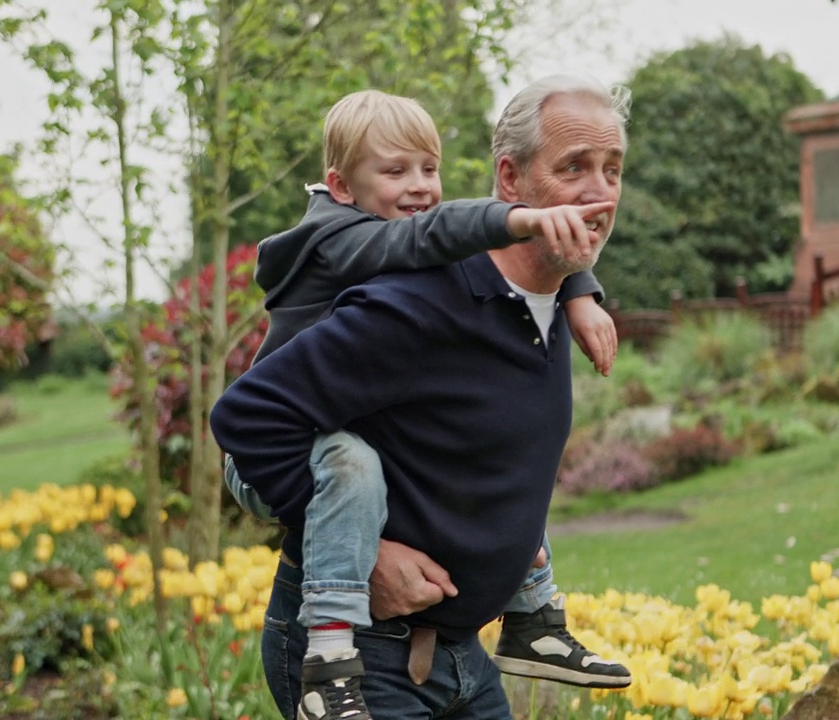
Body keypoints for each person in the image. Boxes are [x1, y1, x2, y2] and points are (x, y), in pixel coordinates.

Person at [215, 83, 630, 720]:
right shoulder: (405, 293)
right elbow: (247, 415)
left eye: (612, 169)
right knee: (349, 466)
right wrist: (368, 556)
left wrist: (578, 285)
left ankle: (534, 623)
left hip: (464, 658)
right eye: (573, 166)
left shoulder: (545, 302)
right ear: (510, 180)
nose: (598, 189)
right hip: (366, 657)